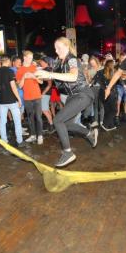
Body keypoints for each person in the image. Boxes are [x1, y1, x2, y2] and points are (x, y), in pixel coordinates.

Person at [35, 37, 98, 167]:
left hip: (82, 94)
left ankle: (68, 152)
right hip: (71, 97)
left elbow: (73, 76)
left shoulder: (72, 59)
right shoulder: (58, 62)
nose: (56, 51)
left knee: (57, 120)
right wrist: (37, 75)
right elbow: (50, 78)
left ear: (67, 46)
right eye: (55, 48)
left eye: (59, 48)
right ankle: (89, 133)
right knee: (67, 124)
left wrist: (50, 75)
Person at [0, 57, 25, 147]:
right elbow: (13, 87)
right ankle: (19, 141)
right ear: (8, 62)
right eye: (10, 61)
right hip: (12, 100)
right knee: (17, 121)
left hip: (2, 101)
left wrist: (2, 90)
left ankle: (4, 141)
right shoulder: (10, 71)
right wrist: (19, 99)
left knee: (3, 122)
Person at [17, 51, 44, 145]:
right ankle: (33, 135)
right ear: (24, 58)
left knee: (39, 117)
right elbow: (19, 86)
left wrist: (34, 77)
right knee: (30, 117)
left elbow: (41, 82)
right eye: (29, 57)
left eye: (31, 57)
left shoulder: (35, 68)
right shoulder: (20, 70)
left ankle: (40, 136)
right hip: (27, 98)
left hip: (37, 96)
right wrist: (24, 76)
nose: (31, 59)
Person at [94, 60, 117, 131]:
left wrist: (103, 87)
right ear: (112, 65)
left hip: (102, 93)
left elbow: (95, 80)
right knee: (113, 110)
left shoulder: (100, 72)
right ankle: (105, 124)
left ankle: (111, 125)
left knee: (107, 110)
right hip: (110, 94)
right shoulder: (113, 72)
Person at [38, 57, 55, 133]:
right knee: (46, 109)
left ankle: (51, 125)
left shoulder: (47, 70)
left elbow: (49, 84)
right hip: (45, 92)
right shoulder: (46, 69)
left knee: (44, 110)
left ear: (45, 62)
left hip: (45, 92)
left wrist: (43, 93)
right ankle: (51, 124)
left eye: (41, 61)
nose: (40, 63)